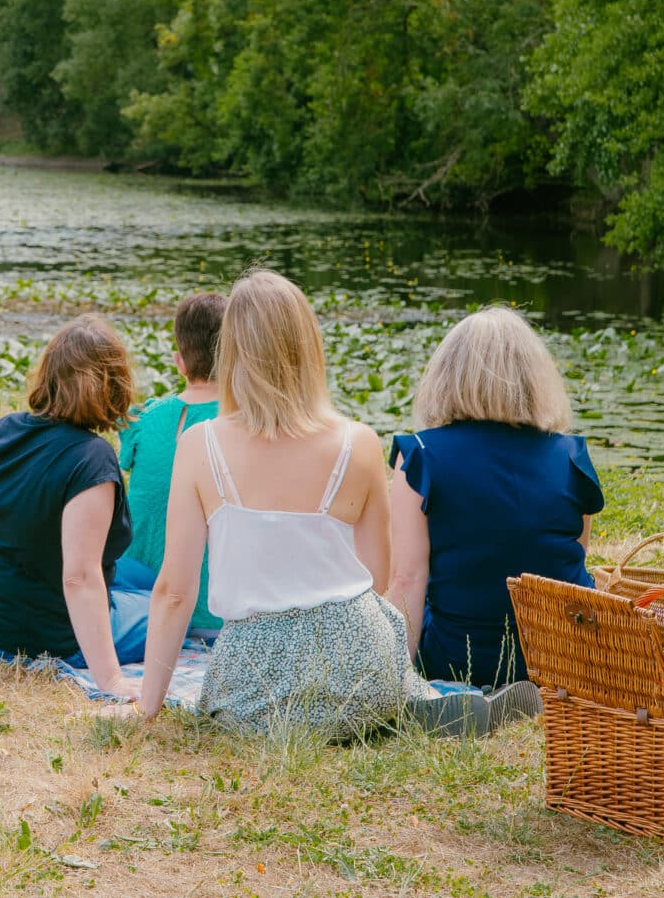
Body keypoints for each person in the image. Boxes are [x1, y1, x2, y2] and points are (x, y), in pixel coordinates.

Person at [120, 270, 533, 739]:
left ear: (231, 351)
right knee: (374, 664)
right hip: (359, 655)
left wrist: (147, 706)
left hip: (251, 674)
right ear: (308, 346)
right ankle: (400, 702)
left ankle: (343, 709)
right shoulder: (357, 442)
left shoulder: (199, 445)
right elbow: (376, 580)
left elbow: (175, 590)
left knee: (249, 711)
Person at [387, 306, 604, 687]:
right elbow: (573, 565)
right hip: (560, 661)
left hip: (456, 660)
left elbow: (407, 579)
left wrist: (394, 681)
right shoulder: (572, 457)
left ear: (446, 375)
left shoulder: (420, 454)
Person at [0, 314, 148, 695]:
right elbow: (79, 577)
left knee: (149, 578)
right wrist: (111, 680)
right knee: (173, 606)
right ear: (113, 385)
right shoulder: (90, 459)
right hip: (45, 631)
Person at [114, 291, 226, 637]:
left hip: (145, 601)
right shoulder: (249, 425)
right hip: (220, 613)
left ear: (179, 361)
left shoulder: (143, 420)